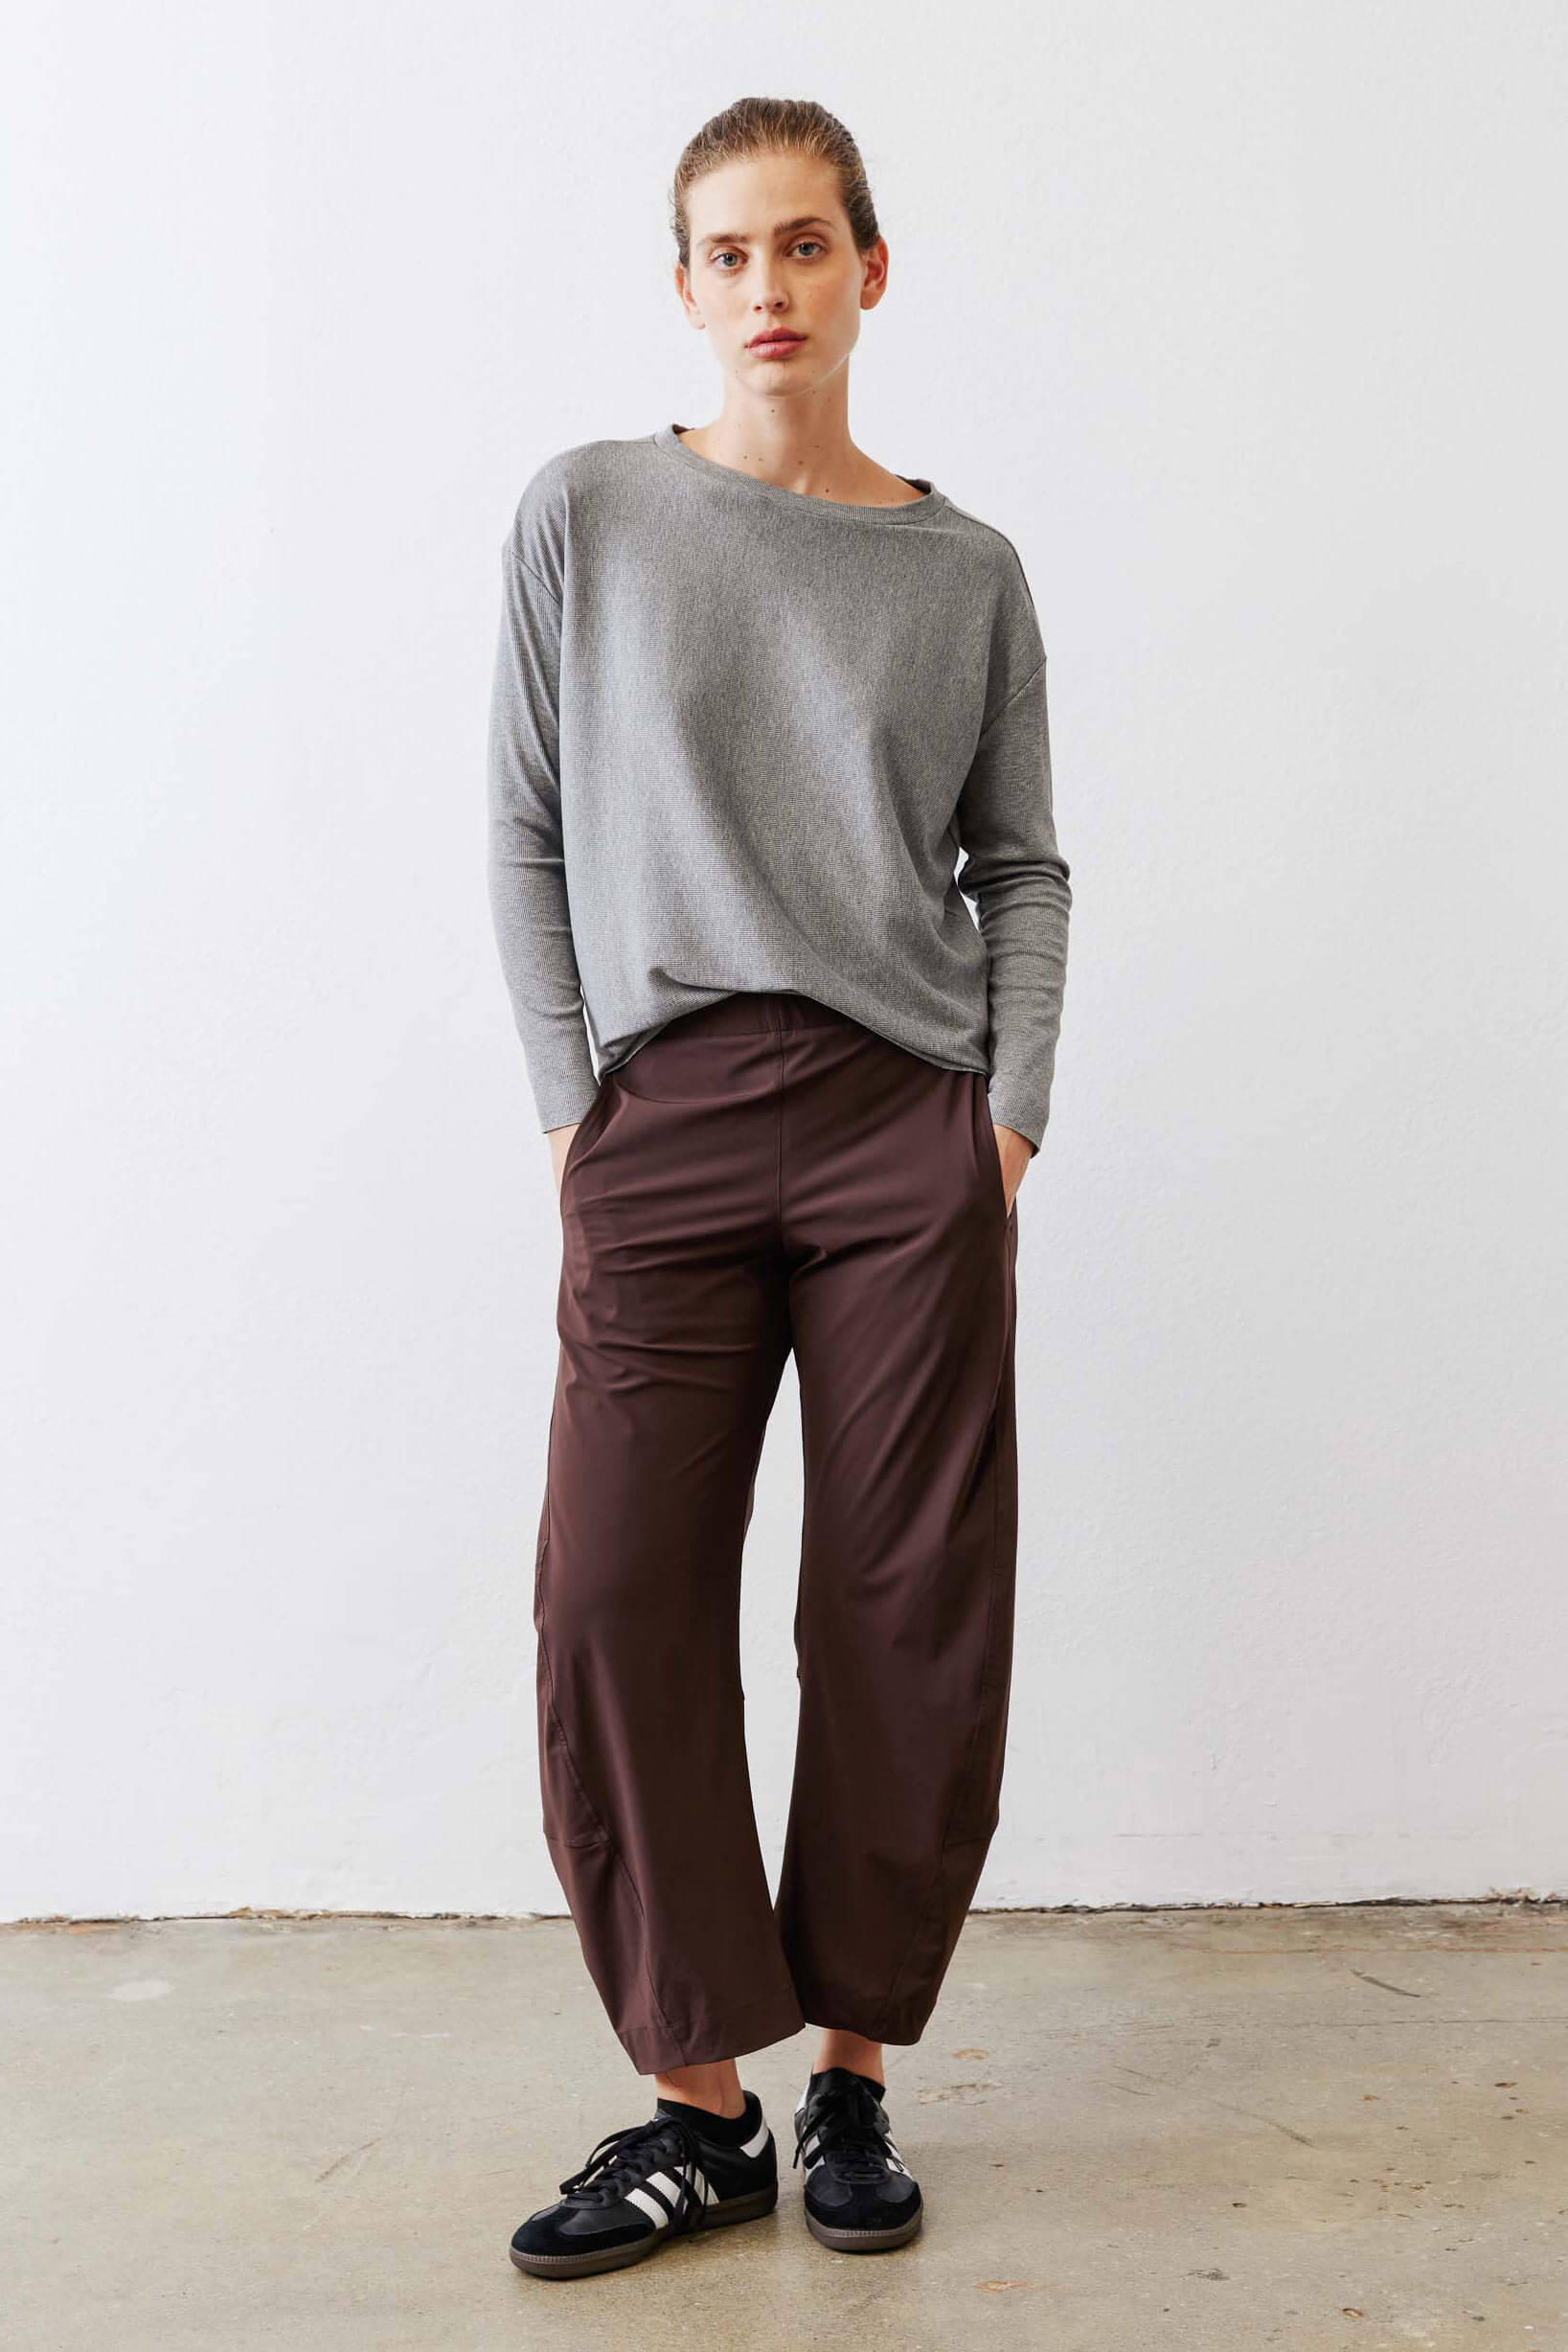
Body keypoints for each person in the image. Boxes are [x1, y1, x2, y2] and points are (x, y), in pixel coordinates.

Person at [486, 96, 1071, 2282]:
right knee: (613, 1593)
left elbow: (1021, 864)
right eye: (727, 252)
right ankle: (695, 2109)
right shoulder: (589, 513)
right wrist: (573, 1106)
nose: (768, 288)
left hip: (903, 1118)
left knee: (899, 1601)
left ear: (869, 272)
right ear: (682, 285)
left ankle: (849, 2080)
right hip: (663, 1115)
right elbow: (526, 826)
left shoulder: (962, 569)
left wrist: (1004, 1111)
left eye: (804, 245)